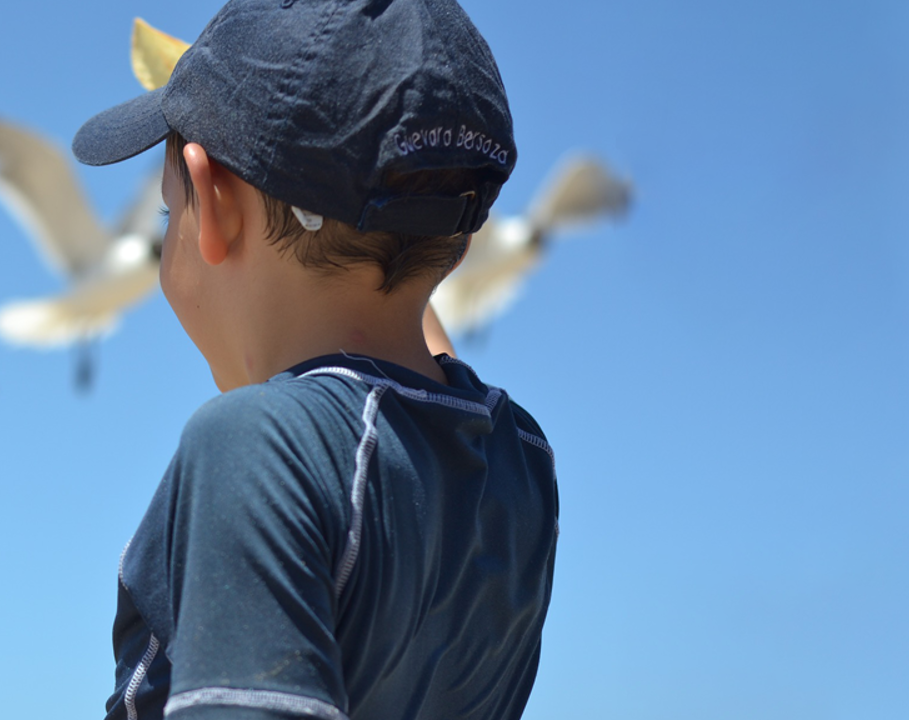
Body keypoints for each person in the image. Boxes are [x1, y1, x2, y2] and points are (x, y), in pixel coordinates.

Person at [70, 1, 560, 718]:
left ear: (213, 202)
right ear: (459, 246)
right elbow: (415, 360)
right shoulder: (519, 458)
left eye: (169, 212)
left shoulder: (257, 447)